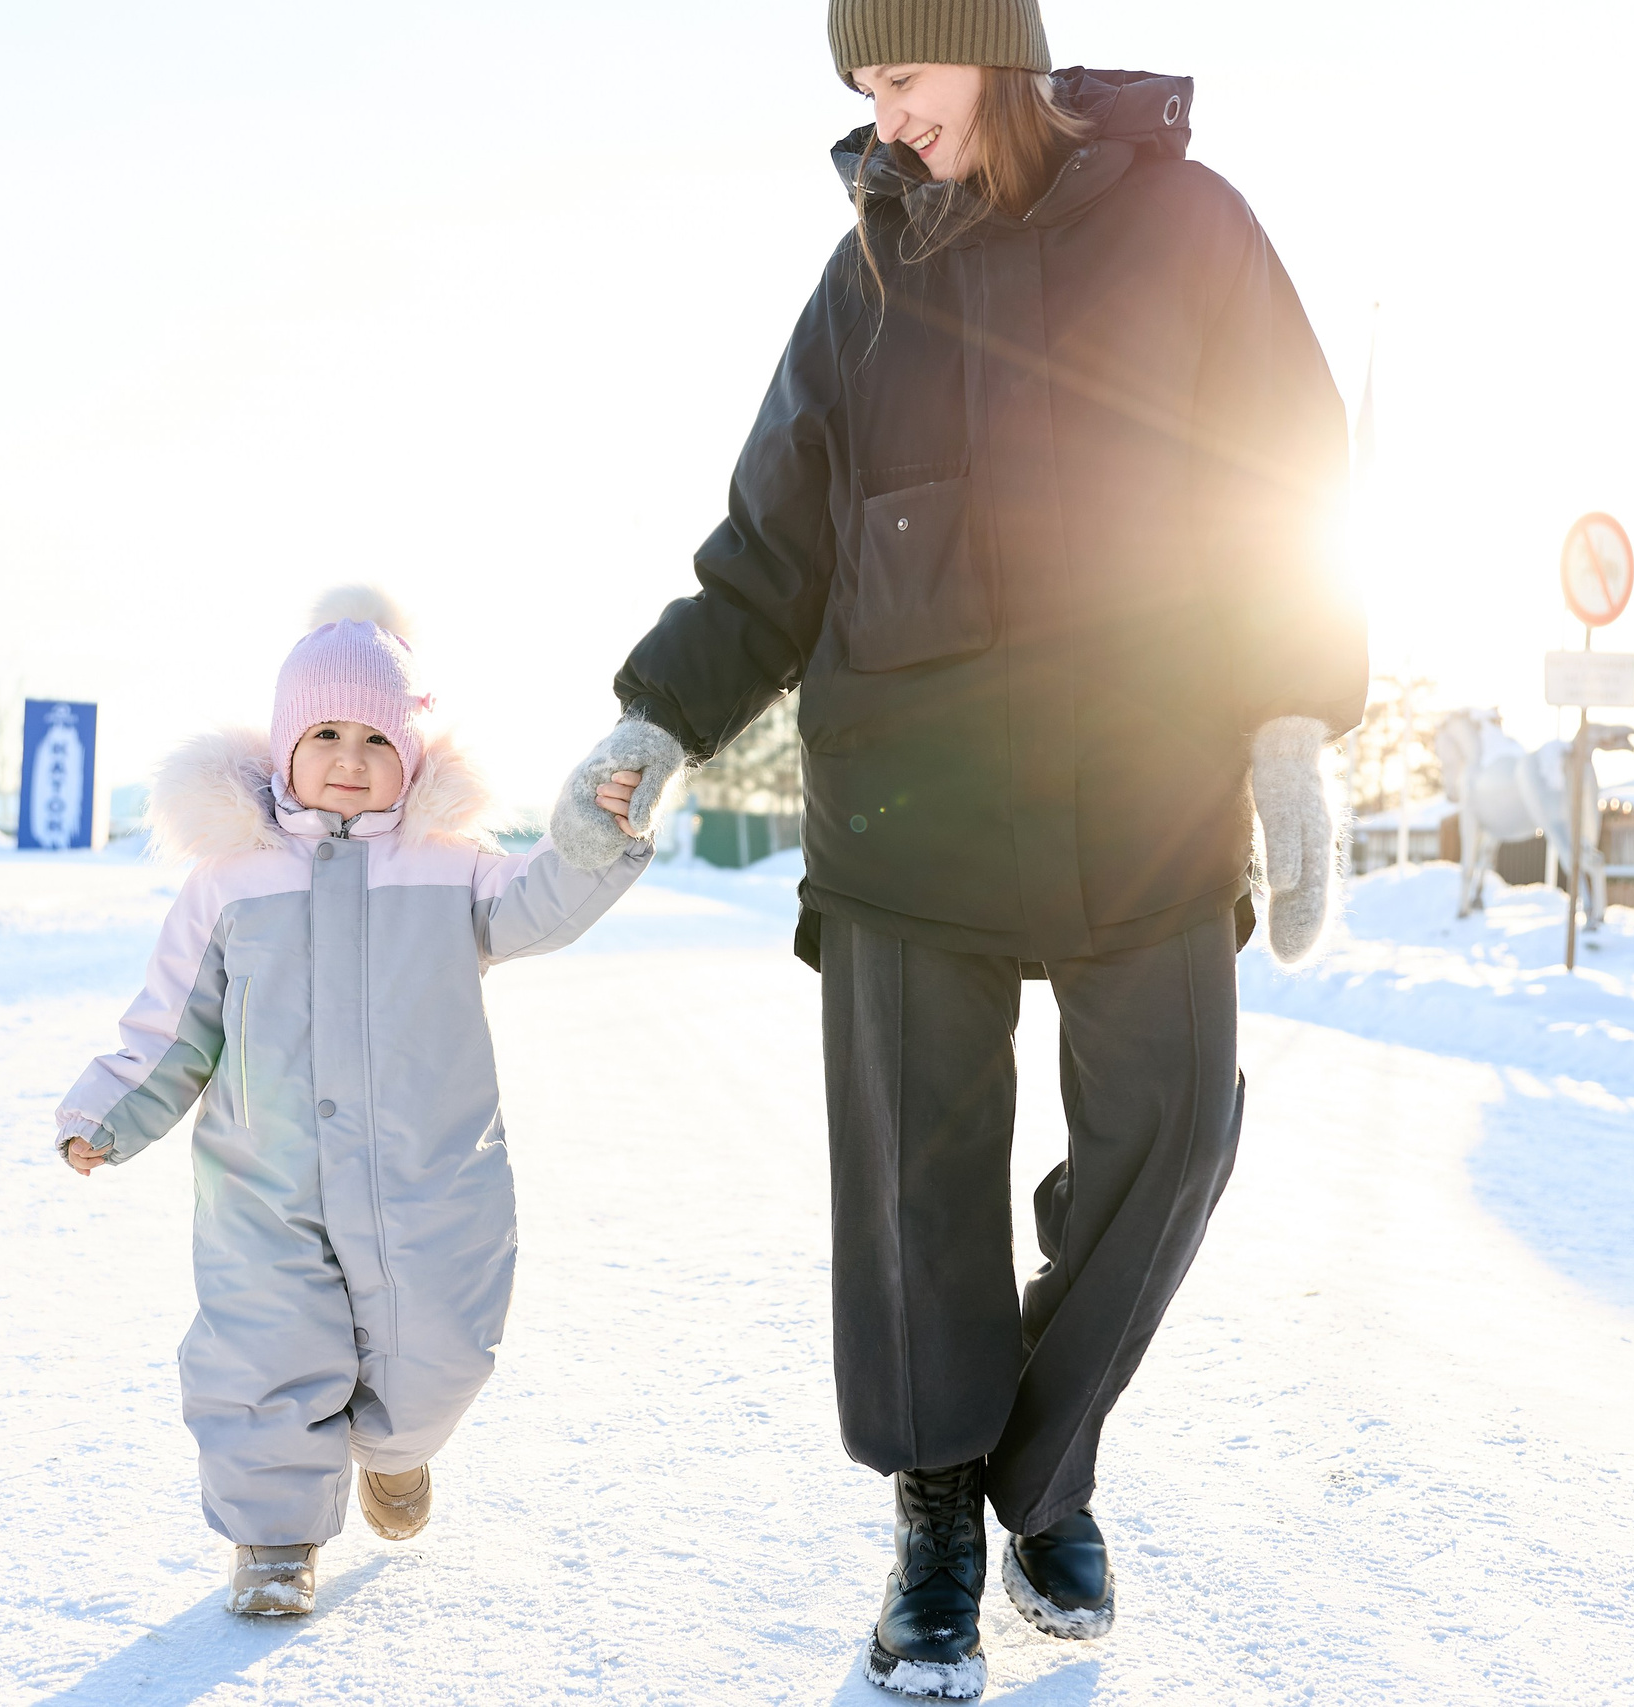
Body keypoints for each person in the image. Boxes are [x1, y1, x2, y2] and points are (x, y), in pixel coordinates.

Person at [552, 3, 1368, 1697]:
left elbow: (1285, 476)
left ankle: (1042, 1469)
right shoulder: (865, 280)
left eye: (901, 75)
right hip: (908, 801)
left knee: (1174, 1136)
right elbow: (768, 549)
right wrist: (653, 724)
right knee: (920, 1194)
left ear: (992, 51)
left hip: (1141, 785)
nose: (881, 113)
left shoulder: (1188, 224)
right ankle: (938, 1527)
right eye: (862, 86)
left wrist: (1292, 720)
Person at [55, 588, 654, 1618]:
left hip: (430, 1176)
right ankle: (275, 1538)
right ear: (282, 747)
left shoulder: (450, 870)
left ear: (412, 754)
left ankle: (395, 1453)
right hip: (264, 1182)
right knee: (262, 1351)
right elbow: (171, 1024)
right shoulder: (230, 882)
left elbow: (540, 903)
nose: (347, 755)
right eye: (323, 733)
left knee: (442, 1354)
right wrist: (109, 1110)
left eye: (375, 736)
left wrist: (591, 838)